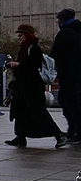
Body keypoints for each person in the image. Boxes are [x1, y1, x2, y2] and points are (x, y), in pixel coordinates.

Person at [5, 24, 68, 148]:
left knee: (38, 112)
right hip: (23, 86)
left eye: (21, 35)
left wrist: (17, 65)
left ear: (27, 35)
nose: (19, 38)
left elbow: (32, 68)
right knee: (20, 112)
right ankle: (20, 137)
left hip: (32, 87)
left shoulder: (33, 48)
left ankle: (59, 135)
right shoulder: (23, 48)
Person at [50, 8, 81, 143]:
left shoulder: (65, 33)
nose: (57, 22)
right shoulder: (78, 31)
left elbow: (56, 53)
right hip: (78, 74)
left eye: (58, 19)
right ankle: (74, 131)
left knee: (67, 101)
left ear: (62, 20)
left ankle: (75, 131)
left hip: (69, 73)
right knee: (75, 102)